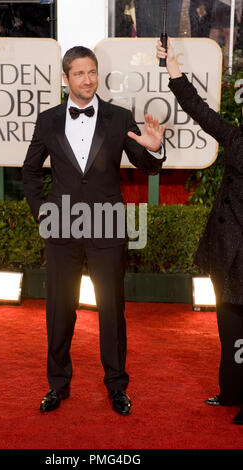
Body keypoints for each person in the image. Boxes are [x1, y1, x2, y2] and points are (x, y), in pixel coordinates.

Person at [22, 46, 166, 415]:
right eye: (79, 74)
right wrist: (41, 210)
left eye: (92, 72)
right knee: (59, 309)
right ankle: (57, 384)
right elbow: (30, 170)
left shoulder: (120, 117)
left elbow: (145, 164)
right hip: (62, 227)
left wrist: (156, 147)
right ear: (65, 78)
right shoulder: (49, 120)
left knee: (111, 309)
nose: (87, 80)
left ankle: (117, 386)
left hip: (108, 225)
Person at [156, 37, 243, 425]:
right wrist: (173, 71)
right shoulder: (237, 138)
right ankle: (231, 392)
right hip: (229, 253)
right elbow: (199, 111)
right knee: (229, 329)